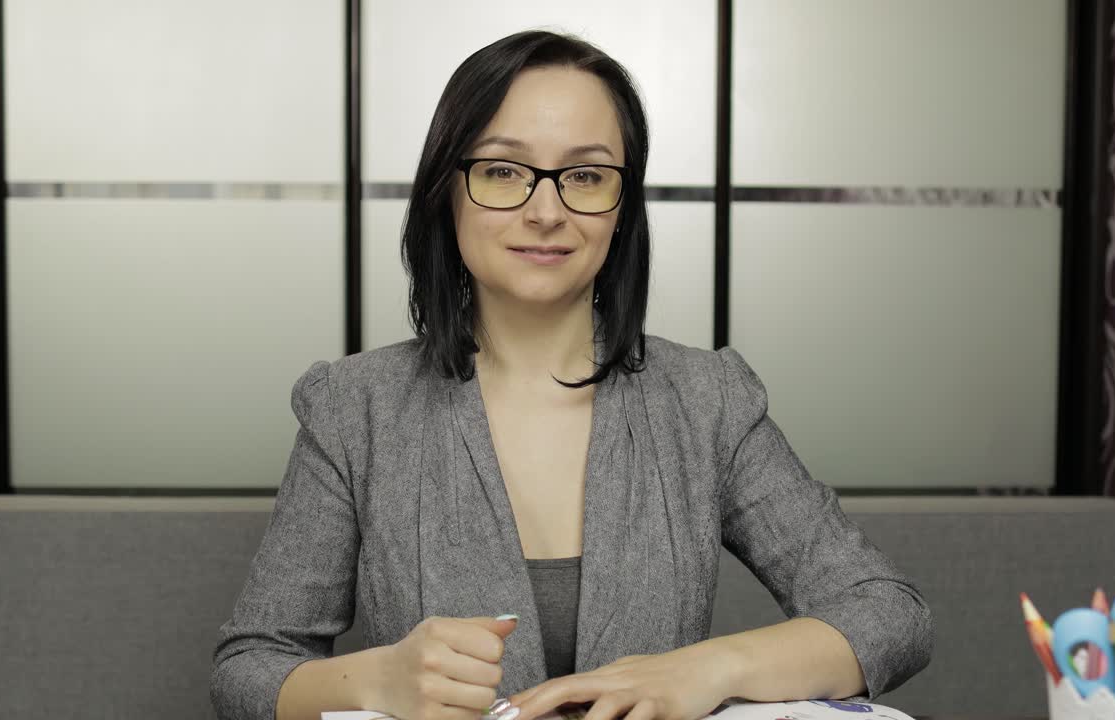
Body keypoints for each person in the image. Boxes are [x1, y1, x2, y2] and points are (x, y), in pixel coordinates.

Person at [211, 29, 932, 720]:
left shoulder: (706, 399)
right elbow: (249, 668)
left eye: (585, 176)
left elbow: (888, 612)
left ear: (622, 207)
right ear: (446, 191)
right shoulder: (354, 408)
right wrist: (378, 680)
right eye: (503, 171)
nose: (546, 211)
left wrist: (709, 668)